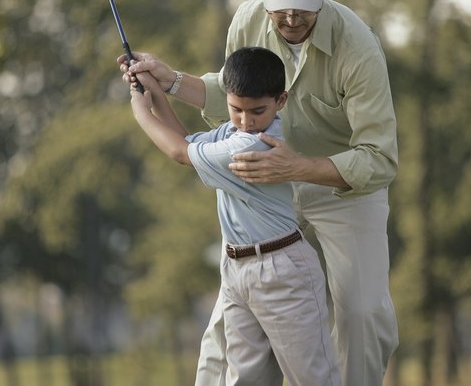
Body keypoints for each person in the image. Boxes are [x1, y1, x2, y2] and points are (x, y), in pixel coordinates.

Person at [119, 0, 399, 384]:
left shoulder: (357, 46)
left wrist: (299, 165)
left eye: (303, 5)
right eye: (281, 4)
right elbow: (237, 98)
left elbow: (379, 158)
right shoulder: (248, 20)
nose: (290, 17)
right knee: (227, 323)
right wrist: (170, 81)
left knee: (362, 312)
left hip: (344, 187)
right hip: (269, 194)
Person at [130, 46, 340, 386]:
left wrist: (141, 112)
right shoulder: (233, 133)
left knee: (315, 380)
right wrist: (153, 92)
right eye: (236, 109)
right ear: (227, 98)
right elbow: (187, 140)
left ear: (281, 101)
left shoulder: (255, 145)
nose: (245, 120)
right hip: (238, 268)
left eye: (257, 111)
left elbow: (179, 152)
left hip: (282, 271)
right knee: (244, 380)